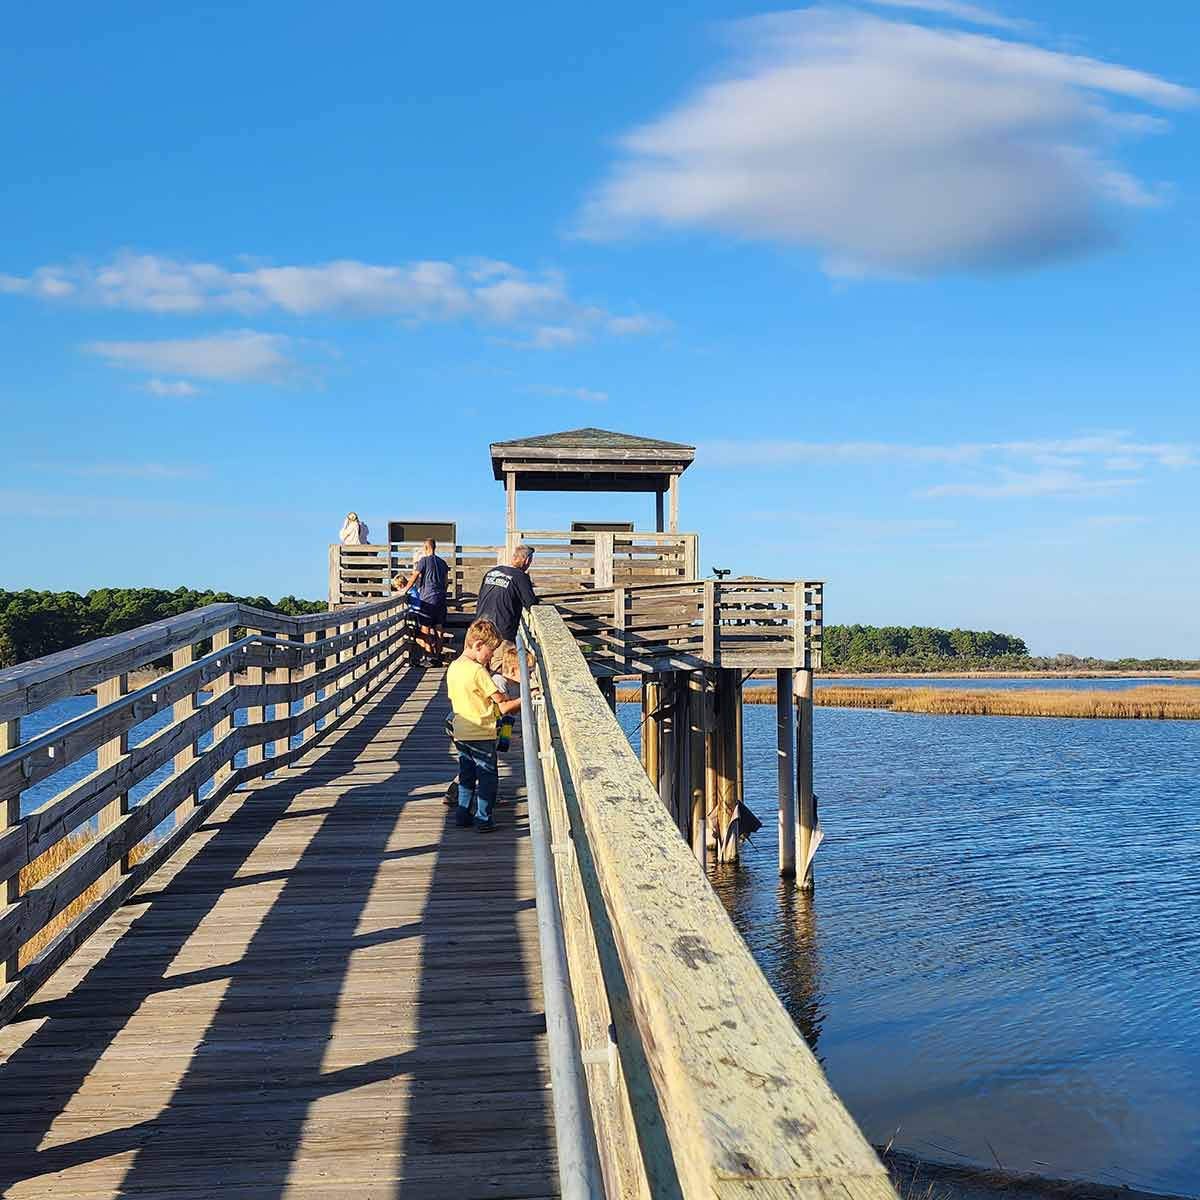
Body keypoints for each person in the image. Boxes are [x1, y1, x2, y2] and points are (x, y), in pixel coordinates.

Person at [447, 618, 521, 832]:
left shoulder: (454, 667)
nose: (490, 658)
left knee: (467, 775)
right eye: (490, 652)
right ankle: (483, 819)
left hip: (460, 731)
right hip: (481, 731)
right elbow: (504, 705)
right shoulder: (478, 671)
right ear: (478, 646)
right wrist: (526, 697)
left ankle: (462, 815)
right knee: (488, 777)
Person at [397, 538, 449, 666]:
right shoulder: (442, 562)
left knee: (425, 628)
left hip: (428, 599)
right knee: (439, 629)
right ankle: (437, 656)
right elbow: (446, 582)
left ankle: (428, 656)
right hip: (441, 598)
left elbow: (414, 577)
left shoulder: (423, 561)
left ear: (426, 548)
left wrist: (404, 591)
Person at [475, 544, 537, 641]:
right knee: (501, 655)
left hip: (480, 626)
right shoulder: (521, 577)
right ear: (527, 560)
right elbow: (531, 603)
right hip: (501, 631)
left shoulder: (492, 572)